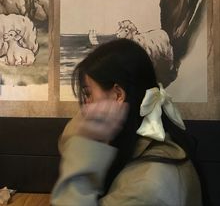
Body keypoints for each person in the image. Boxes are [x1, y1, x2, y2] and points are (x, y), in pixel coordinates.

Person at [51, 39, 202, 205]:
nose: (85, 108)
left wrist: (84, 142)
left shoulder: (145, 188)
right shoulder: (155, 147)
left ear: (117, 95)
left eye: (88, 94)